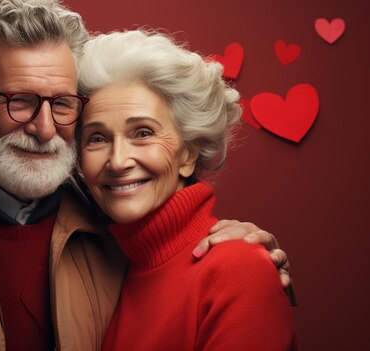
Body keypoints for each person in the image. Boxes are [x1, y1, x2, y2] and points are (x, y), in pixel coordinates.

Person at [0, 1, 293, 350]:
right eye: (18, 100)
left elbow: (189, 263)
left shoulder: (111, 217)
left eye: (61, 104)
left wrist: (243, 259)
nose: (43, 129)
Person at [76, 29, 298, 350]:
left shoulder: (238, 268)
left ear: (189, 154)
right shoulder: (101, 271)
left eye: (142, 133)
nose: (118, 160)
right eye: (97, 138)